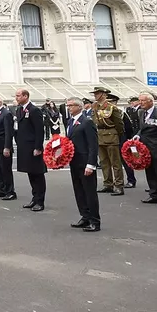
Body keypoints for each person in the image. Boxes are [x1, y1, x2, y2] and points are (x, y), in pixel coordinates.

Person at [64, 98, 101, 232]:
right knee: (79, 191)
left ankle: (94, 221)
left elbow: (93, 145)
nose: (68, 108)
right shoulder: (70, 122)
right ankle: (85, 216)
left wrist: (91, 164)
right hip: (74, 162)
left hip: (85, 162)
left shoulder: (87, 122)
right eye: (67, 106)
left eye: (71, 105)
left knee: (89, 192)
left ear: (79, 107)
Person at [14, 89, 46, 211]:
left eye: (18, 96)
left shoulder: (34, 110)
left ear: (25, 96)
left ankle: (40, 201)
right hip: (24, 147)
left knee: (37, 174)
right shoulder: (19, 110)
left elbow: (39, 130)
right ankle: (34, 198)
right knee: (30, 173)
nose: (16, 98)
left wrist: (38, 147)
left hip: (33, 147)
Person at [90, 87, 126, 196]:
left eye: (98, 93)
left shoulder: (111, 107)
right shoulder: (95, 106)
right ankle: (108, 184)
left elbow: (119, 124)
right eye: (95, 93)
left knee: (115, 163)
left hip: (111, 135)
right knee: (104, 162)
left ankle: (119, 185)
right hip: (100, 136)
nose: (95, 95)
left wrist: (117, 135)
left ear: (104, 94)